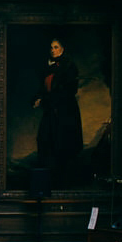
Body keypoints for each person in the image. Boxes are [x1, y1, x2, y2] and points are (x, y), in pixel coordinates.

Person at [32, 38, 83, 184]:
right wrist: (37, 98)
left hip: (65, 111)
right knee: (44, 140)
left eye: (56, 47)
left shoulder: (69, 66)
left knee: (62, 144)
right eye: (51, 48)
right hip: (51, 110)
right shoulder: (48, 67)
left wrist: (45, 100)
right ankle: (48, 180)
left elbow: (68, 91)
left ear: (62, 49)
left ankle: (63, 180)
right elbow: (44, 89)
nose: (53, 50)